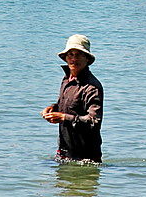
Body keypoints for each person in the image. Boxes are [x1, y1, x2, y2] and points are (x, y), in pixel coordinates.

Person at [41, 34, 104, 163]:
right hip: (64, 152)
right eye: (70, 54)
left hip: (86, 157)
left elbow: (94, 121)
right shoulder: (66, 80)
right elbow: (67, 105)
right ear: (65, 58)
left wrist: (64, 117)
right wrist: (52, 109)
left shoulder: (92, 87)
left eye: (78, 55)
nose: (73, 59)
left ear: (87, 59)